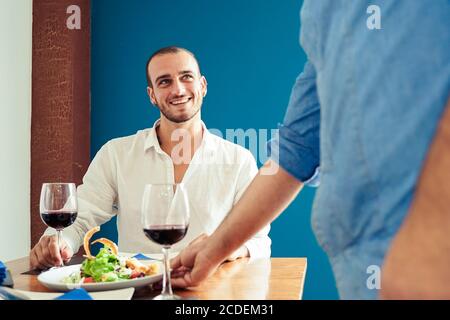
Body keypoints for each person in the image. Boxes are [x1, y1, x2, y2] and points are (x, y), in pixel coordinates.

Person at [170, 1, 450, 299]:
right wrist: (215, 249)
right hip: (362, 271)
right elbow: (297, 149)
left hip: (427, 271)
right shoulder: (323, 10)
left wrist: (433, 240)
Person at [30, 46, 271, 269]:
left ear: (203, 86)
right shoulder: (116, 154)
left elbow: (259, 241)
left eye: (186, 77)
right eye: (164, 81)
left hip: (211, 287)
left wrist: (228, 249)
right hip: (137, 287)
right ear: (152, 95)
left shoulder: (239, 160)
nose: (178, 89)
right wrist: (57, 243)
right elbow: (81, 218)